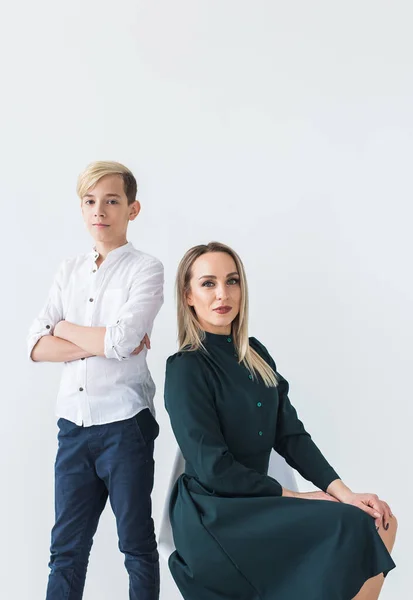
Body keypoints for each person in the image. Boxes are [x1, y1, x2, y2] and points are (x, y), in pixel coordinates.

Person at [164, 241, 397, 600]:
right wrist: (299, 497)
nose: (222, 294)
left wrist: (344, 494)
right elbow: (213, 467)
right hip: (215, 513)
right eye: (208, 283)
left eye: (232, 281)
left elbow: (291, 436)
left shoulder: (256, 355)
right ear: (188, 295)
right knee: (354, 527)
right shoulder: (186, 368)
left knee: (380, 520)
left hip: (258, 503)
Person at [27, 161, 163, 600]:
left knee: (136, 547)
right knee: (65, 551)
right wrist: (100, 341)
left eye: (111, 201)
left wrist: (64, 328)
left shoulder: (146, 269)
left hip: (126, 425)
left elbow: (123, 341)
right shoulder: (68, 270)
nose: (99, 211)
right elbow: (34, 345)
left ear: (132, 208)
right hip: (73, 427)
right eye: (90, 201)